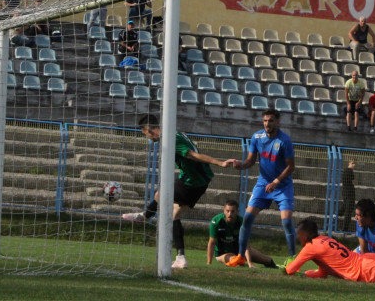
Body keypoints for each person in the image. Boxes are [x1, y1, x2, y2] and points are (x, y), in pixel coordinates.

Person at [122, 114, 234, 269]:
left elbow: (193, 155)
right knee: (174, 215)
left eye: (145, 134)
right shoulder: (174, 133)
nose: (147, 138)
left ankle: (145, 215)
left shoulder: (172, 139)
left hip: (194, 181)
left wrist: (219, 162)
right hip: (192, 179)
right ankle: (181, 257)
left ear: (148, 129)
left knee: (159, 195)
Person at [227, 109, 296, 268]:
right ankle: (240, 256)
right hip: (263, 184)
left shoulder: (284, 140)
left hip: (282, 186)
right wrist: (241, 166)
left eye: (270, 121)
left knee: (286, 222)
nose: (267, 124)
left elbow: (291, 167)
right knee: (247, 218)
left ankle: (293, 260)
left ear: (277, 122)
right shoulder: (257, 137)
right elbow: (250, 161)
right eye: (265, 120)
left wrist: (276, 182)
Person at [207, 200, 277, 268]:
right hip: (222, 253)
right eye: (227, 211)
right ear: (224, 211)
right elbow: (212, 243)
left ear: (237, 212)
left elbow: (246, 244)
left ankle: (276, 266)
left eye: (232, 211)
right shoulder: (216, 221)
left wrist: (250, 263)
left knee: (268, 260)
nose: (230, 214)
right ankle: (239, 261)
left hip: (240, 250)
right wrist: (209, 263)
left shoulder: (242, 222)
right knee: (236, 261)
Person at [339, 161, 357, 232]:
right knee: (348, 211)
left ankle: (336, 215)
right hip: (349, 193)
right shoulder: (349, 171)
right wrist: (355, 181)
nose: (354, 165)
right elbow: (354, 182)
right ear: (349, 163)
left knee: (345, 207)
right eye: (353, 163)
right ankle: (344, 229)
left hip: (346, 192)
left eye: (355, 164)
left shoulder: (345, 171)